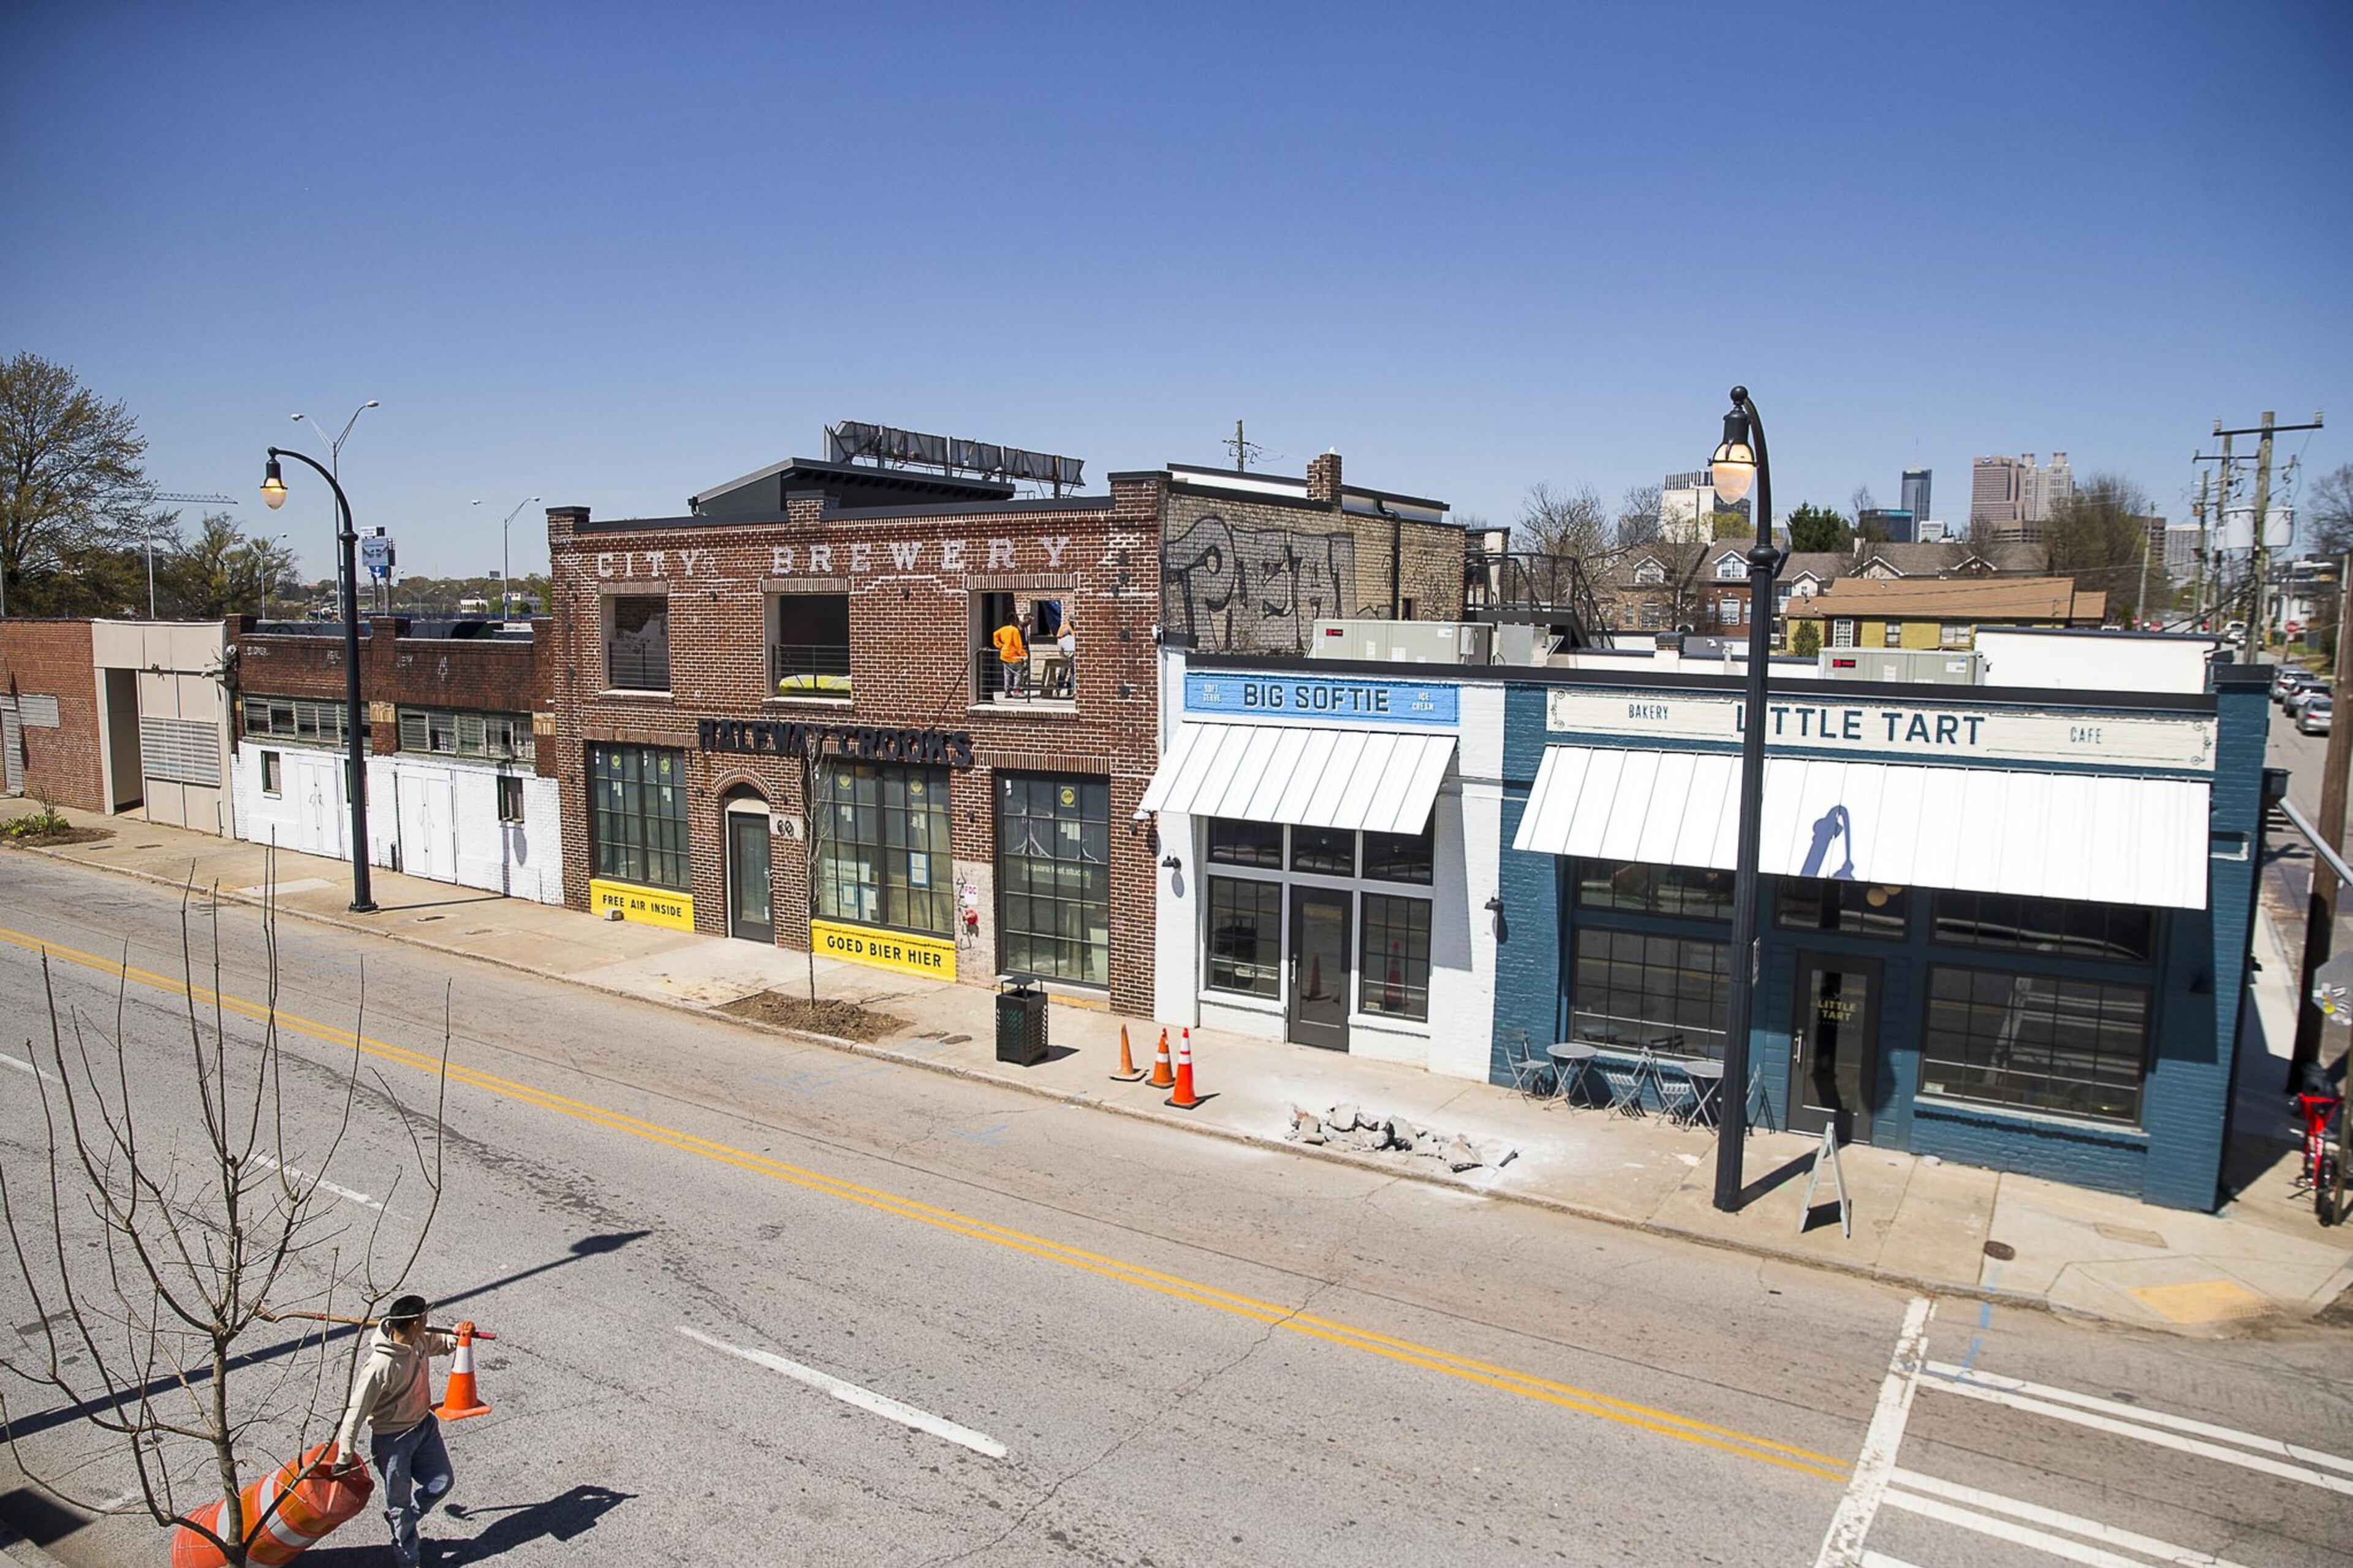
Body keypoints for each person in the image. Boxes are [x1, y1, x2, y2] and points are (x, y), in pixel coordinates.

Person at [327, 1295, 466, 1568]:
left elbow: (445, 1343)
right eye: (425, 1317)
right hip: (393, 1441)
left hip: (424, 1427)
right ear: (415, 1323)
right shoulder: (380, 1365)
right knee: (398, 1503)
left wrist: (460, 1335)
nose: (428, 1321)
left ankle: (404, 1518)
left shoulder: (420, 1340)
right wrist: (344, 1455)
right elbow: (355, 1411)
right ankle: (408, 1559)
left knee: (442, 1482)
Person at [992, 609, 1029, 698]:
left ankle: (1007, 691)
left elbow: (995, 635)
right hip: (1014, 655)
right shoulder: (1015, 630)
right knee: (1019, 672)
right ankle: (1017, 691)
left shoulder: (1003, 629)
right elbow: (1018, 645)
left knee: (1007, 674)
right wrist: (1024, 655)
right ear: (1015, 621)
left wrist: (1000, 646)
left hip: (1004, 654)